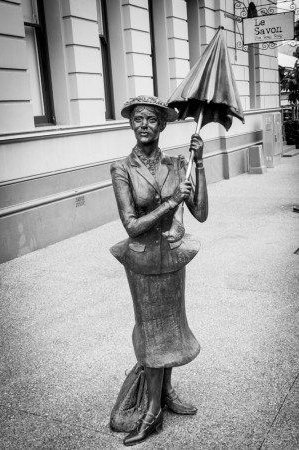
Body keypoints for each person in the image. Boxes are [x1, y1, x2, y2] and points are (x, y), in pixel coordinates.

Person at [110, 95, 208, 446]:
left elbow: (200, 213)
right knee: (152, 331)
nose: (144, 125)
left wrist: (200, 166)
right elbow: (131, 225)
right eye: (138, 119)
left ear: (162, 125)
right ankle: (150, 412)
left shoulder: (177, 162)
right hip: (142, 261)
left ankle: (165, 392)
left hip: (172, 258)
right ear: (131, 124)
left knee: (171, 324)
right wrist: (170, 202)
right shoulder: (121, 168)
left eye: (151, 119)